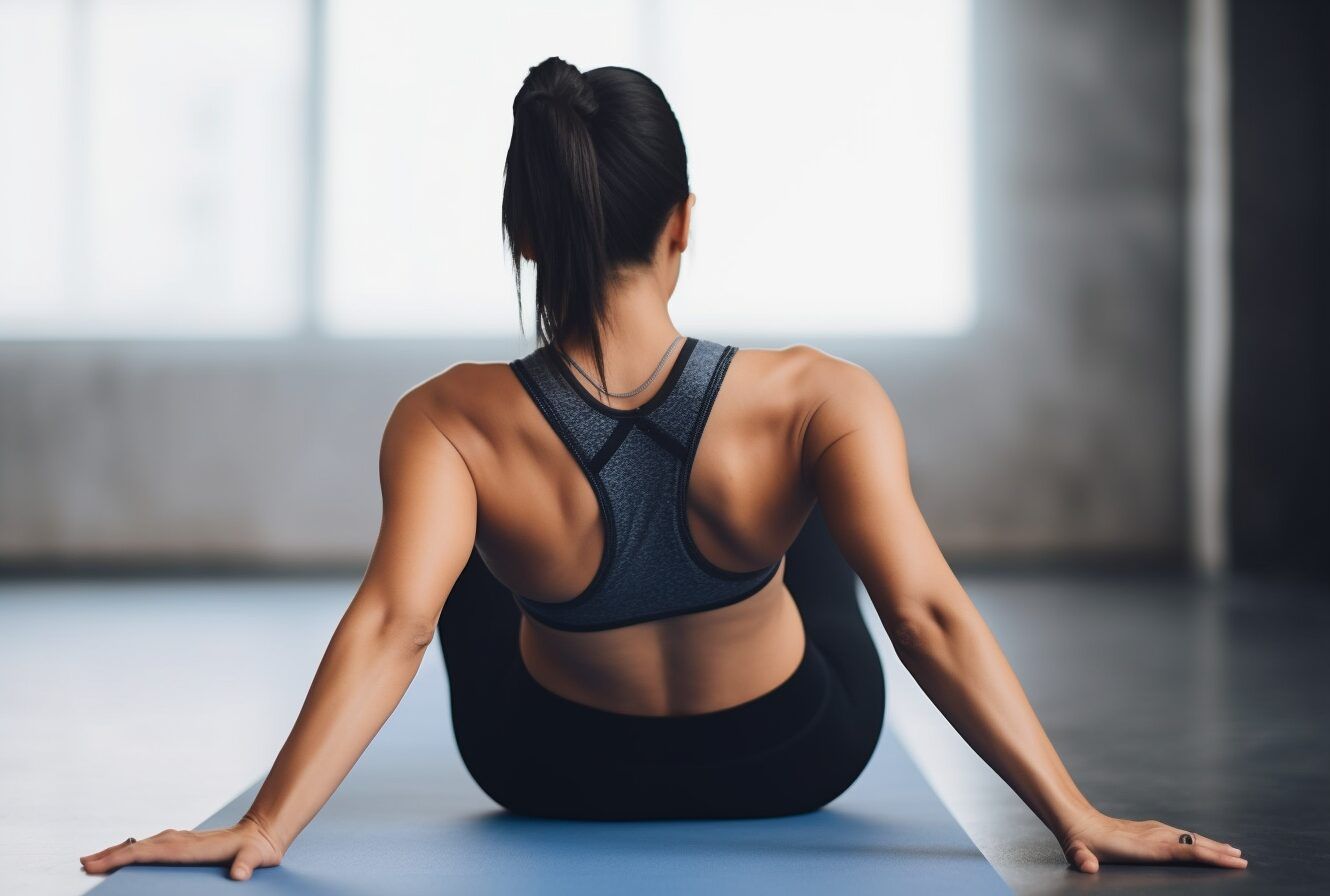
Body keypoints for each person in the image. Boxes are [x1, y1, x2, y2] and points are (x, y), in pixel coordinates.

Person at [79, 56, 1247, 881]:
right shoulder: (815, 394)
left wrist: (269, 824)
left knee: (468, 544)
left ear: (524, 232)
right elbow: (924, 611)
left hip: (544, 764)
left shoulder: (445, 418)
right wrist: (1075, 815)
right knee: (823, 504)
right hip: (794, 753)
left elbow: (394, 623)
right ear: (683, 220)